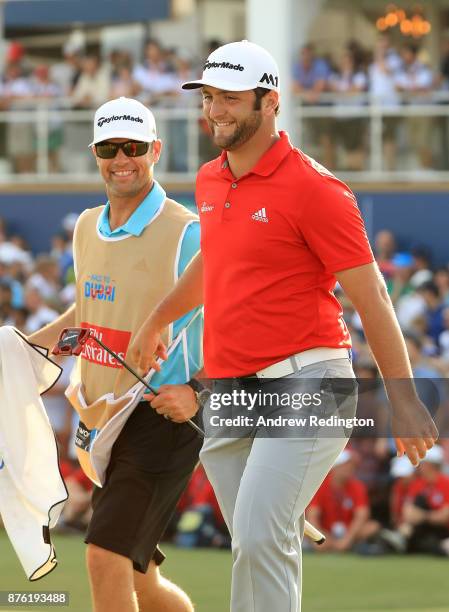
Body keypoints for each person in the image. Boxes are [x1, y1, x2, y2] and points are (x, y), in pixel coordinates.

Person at [129, 41, 438, 612]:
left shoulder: (316, 189)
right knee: (256, 539)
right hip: (230, 389)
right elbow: (214, 260)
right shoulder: (210, 179)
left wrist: (404, 396)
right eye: (209, 97)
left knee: (261, 538)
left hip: (308, 381)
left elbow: (371, 295)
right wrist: (157, 318)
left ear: (270, 102)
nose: (215, 110)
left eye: (230, 98)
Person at [27, 96, 204, 612]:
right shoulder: (86, 225)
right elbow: (84, 321)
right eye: (109, 147)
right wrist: (21, 348)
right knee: (139, 580)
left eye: (133, 146)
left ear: (155, 150)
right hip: (103, 424)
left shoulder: (187, 231)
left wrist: (197, 391)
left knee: (104, 557)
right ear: (95, 152)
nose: (121, 157)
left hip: (162, 416)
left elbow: (234, 323)